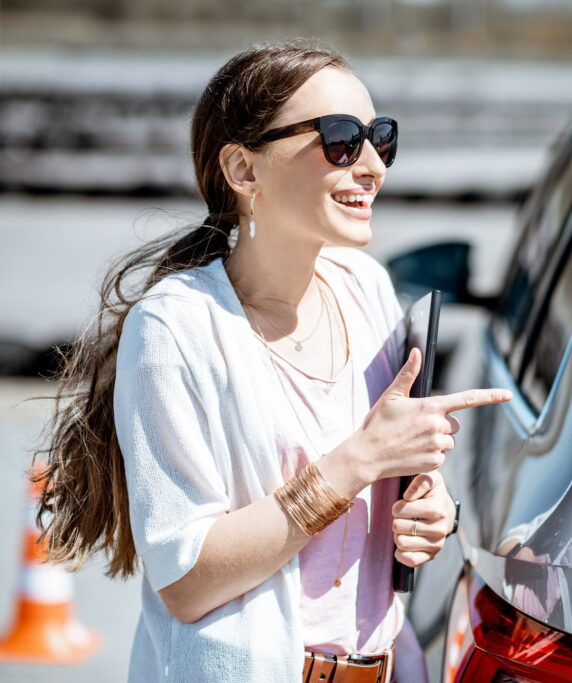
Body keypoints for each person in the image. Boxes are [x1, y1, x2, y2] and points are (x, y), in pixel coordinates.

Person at [34, 40, 511, 682]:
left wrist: (429, 505)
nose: (372, 164)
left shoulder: (368, 290)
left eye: (381, 137)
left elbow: (385, 480)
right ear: (243, 169)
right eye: (341, 139)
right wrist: (359, 461)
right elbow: (187, 579)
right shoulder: (177, 328)